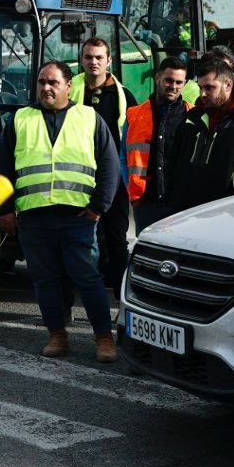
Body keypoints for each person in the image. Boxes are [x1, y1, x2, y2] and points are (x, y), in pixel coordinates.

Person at [0, 61, 120, 361]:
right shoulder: (21, 118)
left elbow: (110, 165)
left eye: (53, 83)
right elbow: (1, 168)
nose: (46, 88)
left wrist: (99, 206)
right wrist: (5, 210)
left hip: (78, 217)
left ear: (68, 86)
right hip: (35, 218)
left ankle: (103, 338)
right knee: (45, 280)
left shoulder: (89, 117)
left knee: (88, 278)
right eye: (41, 82)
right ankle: (57, 336)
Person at [67, 37, 138, 300]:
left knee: (116, 236)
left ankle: (120, 291)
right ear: (82, 60)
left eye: (99, 57)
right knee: (83, 236)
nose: (93, 62)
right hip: (78, 175)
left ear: (109, 61)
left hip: (114, 177)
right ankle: (85, 289)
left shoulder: (124, 97)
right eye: (88, 57)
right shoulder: (71, 92)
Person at [169, 55, 234, 210]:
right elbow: (174, 162)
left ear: (228, 85)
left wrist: (231, 207)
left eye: (209, 87)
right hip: (186, 214)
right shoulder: (193, 117)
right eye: (201, 88)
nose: (202, 94)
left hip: (226, 216)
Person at [126, 56, 191, 231]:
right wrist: (134, 197)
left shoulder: (192, 115)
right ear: (157, 78)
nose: (174, 86)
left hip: (181, 203)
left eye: (179, 82)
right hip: (146, 203)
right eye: (169, 80)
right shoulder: (134, 115)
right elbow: (121, 156)